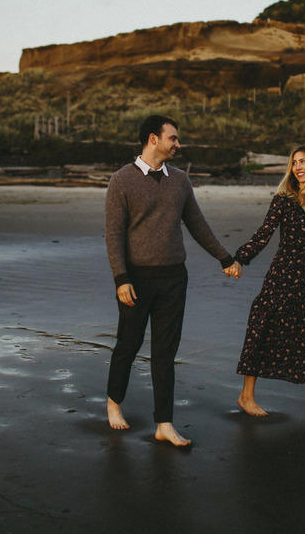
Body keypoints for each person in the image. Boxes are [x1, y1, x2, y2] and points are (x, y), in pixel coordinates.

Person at [105, 114, 242, 446]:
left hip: (173, 279)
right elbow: (113, 235)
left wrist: (225, 257)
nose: (177, 144)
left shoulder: (180, 180)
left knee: (165, 352)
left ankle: (164, 424)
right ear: (154, 139)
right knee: (129, 344)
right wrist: (121, 279)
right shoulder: (121, 180)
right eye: (173, 138)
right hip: (137, 280)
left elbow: (197, 225)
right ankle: (113, 403)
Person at [233, 144, 305, 417]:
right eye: (294, 163)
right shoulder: (283, 199)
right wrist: (238, 259)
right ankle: (246, 396)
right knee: (262, 327)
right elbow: (263, 235)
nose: (298, 167)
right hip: (282, 277)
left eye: (303, 162)